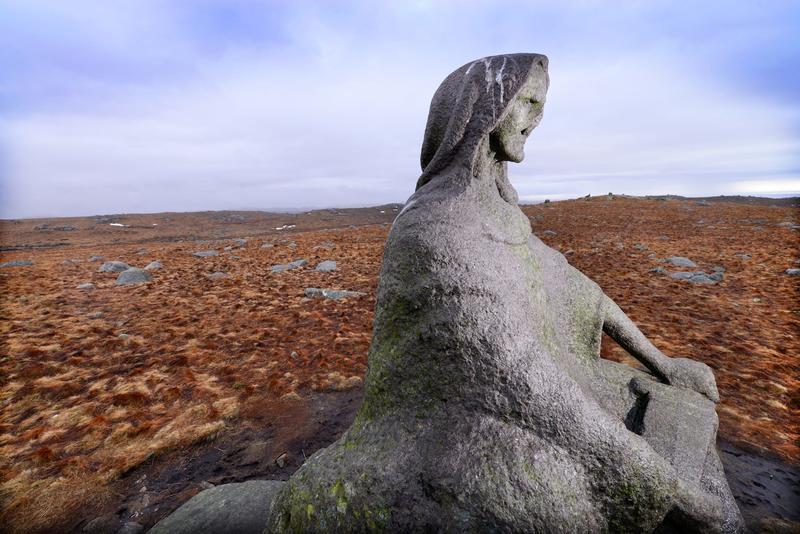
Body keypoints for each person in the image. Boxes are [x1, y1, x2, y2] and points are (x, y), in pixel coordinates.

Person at [265, 54, 743, 533]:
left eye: (542, 105)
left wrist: (664, 364)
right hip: (462, 426)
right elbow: (514, 370)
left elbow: (583, 291)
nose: (536, 120)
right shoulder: (433, 229)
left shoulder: (504, 215)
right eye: (528, 102)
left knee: (684, 412)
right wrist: (643, 468)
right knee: (569, 495)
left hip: (547, 393)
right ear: (481, 111)